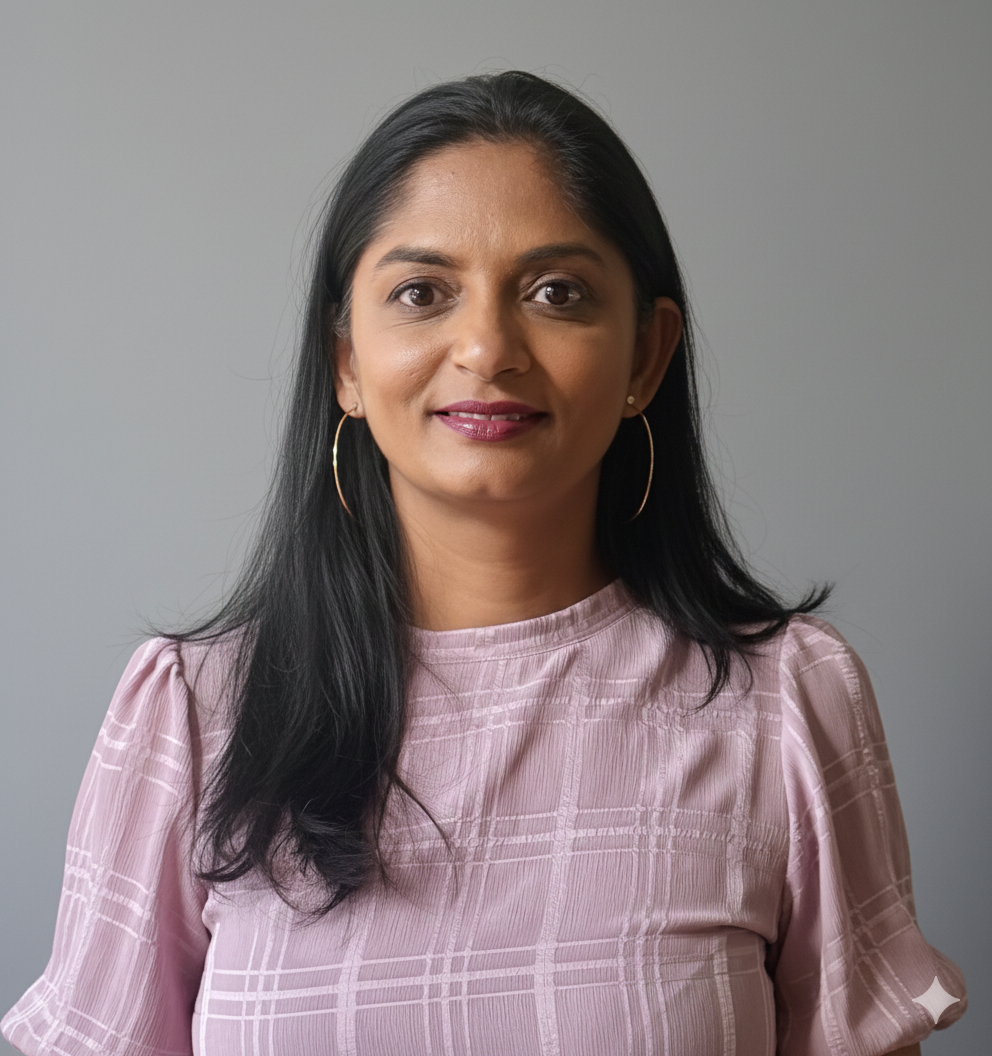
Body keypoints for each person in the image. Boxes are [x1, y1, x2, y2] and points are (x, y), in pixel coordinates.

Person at [2, 71, 966, 1056]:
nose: (486, 347)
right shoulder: (193, 717)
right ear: (344, 362)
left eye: (556, 291)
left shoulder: (786, 702)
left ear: (645, 355)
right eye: (422, 292)